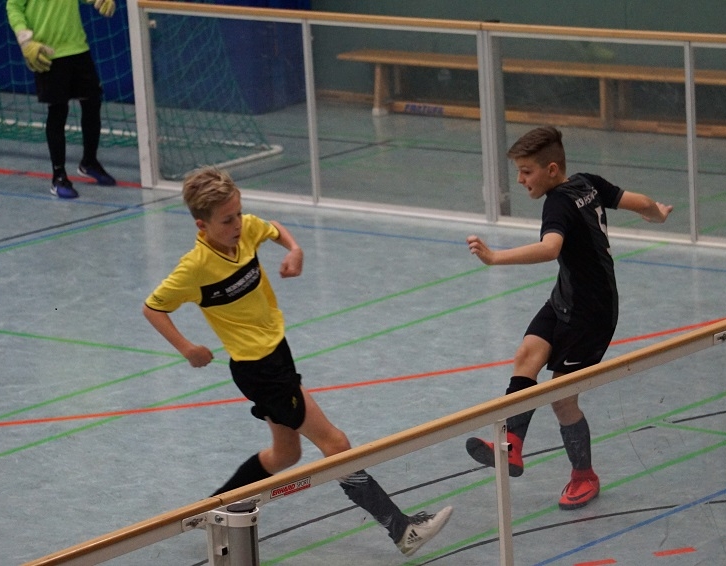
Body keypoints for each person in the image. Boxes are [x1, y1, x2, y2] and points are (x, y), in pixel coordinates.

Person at [142, 166, 452, 556]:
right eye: (227, 220)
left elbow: (271, 228)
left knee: (285, 454)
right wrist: (188, 348)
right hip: (259, 370)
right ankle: (401, 530)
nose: (238, 224)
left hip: (278, 354)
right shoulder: (194, 268)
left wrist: (294, 249)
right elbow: (153, 308)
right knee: (335, 443)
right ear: (202, 225)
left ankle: (211, 510)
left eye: (238, 214)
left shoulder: (245, 231)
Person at [465, 126, 673, 511]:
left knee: (562, 399)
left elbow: (550, 248)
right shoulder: (587, 183)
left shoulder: (558, 203)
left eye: (526, 171)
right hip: (566, 297)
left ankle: (584, 475)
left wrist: (494, 258)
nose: (520, 179)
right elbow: (638, 200)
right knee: (526, 356)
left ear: (551, 170)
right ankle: (511, 447)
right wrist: (655, 213)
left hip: (591, 314)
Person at [7, 0, 118, 199]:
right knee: (58, 111)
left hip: (77, 47)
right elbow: (13, 6)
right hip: (48, 51)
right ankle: (58, 176)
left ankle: (89, 162)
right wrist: (25, 42)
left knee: (92, 102)